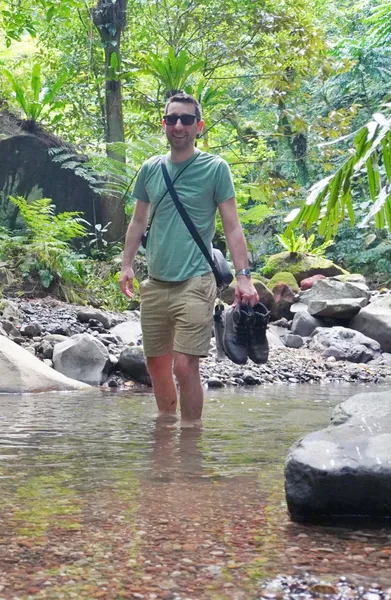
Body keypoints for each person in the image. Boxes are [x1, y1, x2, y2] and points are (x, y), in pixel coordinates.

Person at [118, 92, 258, 422]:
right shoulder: (150, 169)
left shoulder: (215, 169)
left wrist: (244, 276)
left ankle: (191, 441)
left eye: (187, 119)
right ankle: (167, 432)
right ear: (164, 124)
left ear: (199, 127)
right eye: (172, 119)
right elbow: (138, 221)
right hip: (155, 284)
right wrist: (126, 265)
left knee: (184, 364)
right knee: (156, 364)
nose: (179, 126)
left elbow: (233, 227)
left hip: (196, 281)